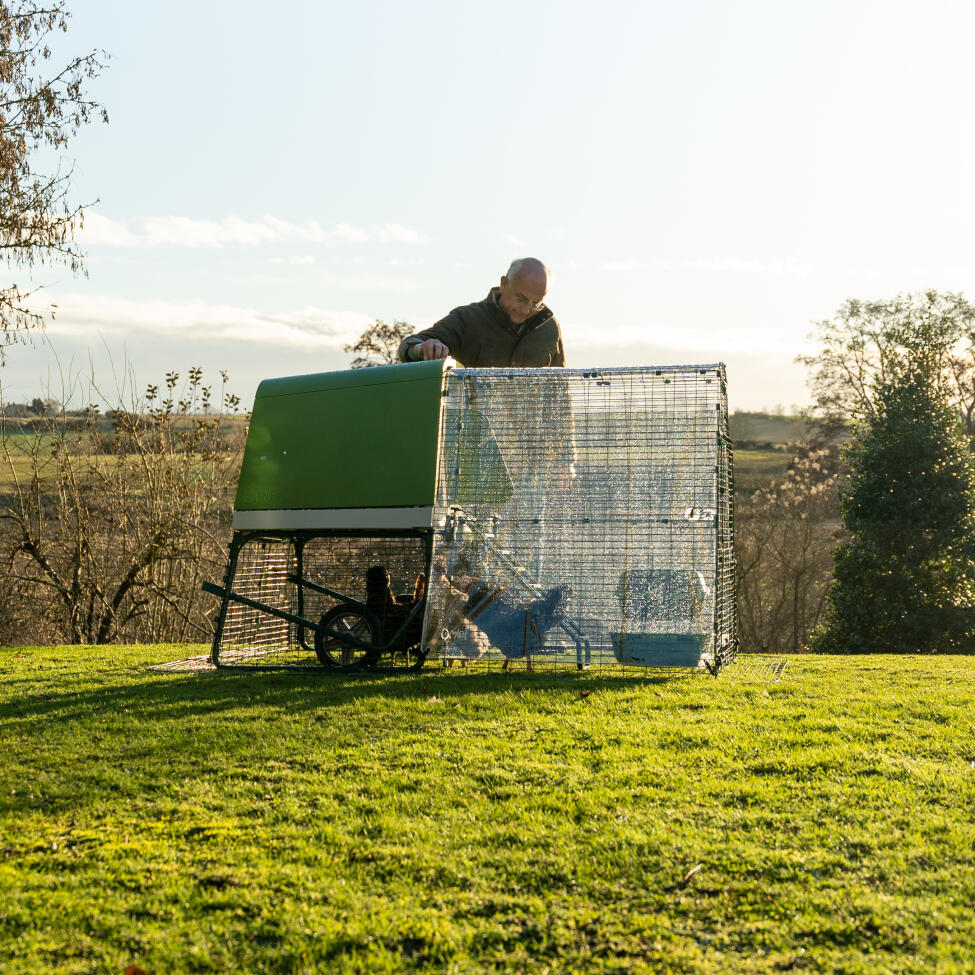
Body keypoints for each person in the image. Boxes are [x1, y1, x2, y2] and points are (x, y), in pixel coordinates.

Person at [397, 257, 566, 368]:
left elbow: (561, 392)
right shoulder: (467, 319)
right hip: (470, 422)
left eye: (536, 303)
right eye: (520, 299)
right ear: (504, 283)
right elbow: (409, 345)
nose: (526, 310)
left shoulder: (549, 329)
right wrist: (422, 348)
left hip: (529, 424)